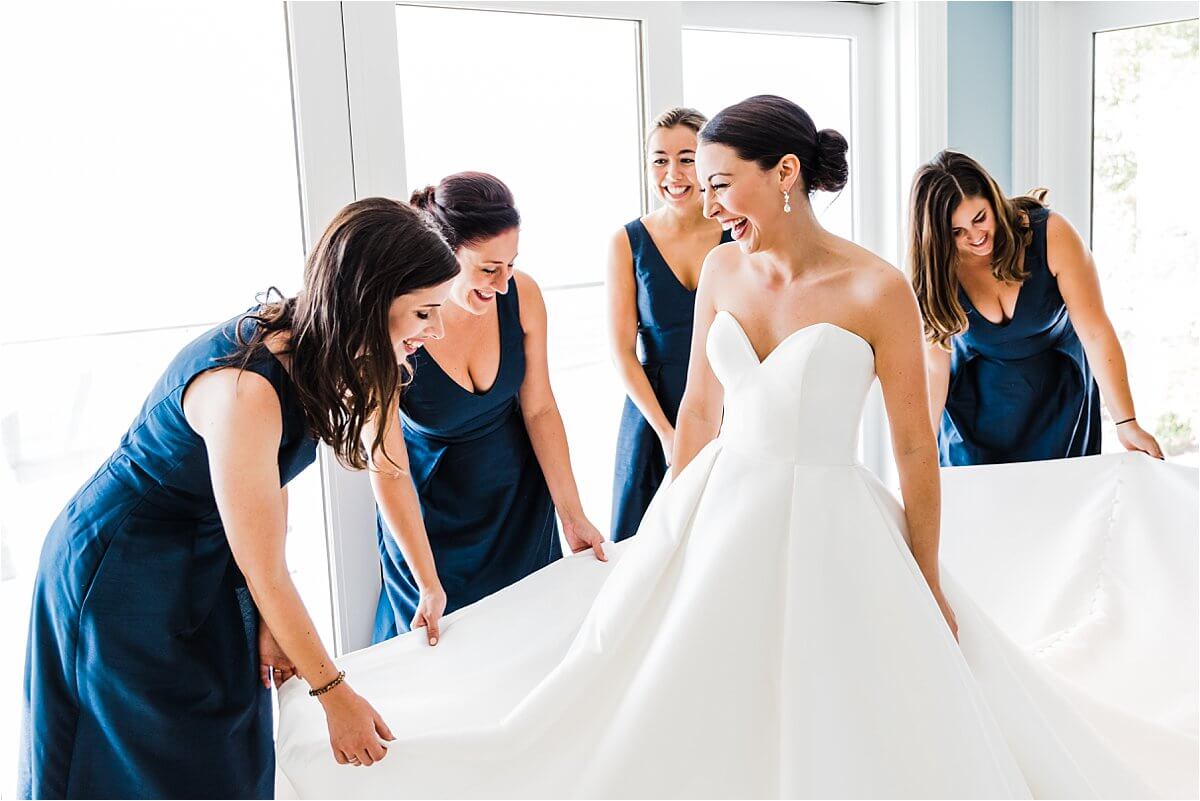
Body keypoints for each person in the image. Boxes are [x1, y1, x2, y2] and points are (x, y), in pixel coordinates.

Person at [277, 98, 1193, 798]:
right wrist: (664, 532)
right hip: (720, 513)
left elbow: (915, 450)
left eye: (721, 182)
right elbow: (702, 417)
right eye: (702, 185)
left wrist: (924, 578)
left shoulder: (876, 289)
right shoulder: (720, 267)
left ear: (784, 172)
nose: (707, 202)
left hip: (834, 523)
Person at [20, 198, 460, 798]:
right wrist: (334, 694)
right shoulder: (243, 387)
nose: (435, 332)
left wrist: (276, 629)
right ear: (368, 299)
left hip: (212, 556)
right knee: (144, 765)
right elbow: (266, 568)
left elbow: (267, 490)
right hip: (123, 573)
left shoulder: (318, 349)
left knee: (229, 755)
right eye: (424, 313)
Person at [372, 172, 606, 645]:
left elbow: (539, 409)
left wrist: (572, 511)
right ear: (443, 254)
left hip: (518, 507)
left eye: (511, 266)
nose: (503, 284)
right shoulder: (393, 321)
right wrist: (426, 579)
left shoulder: (524, 296)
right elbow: (388, 466)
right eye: (487, 269)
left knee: (531, 649)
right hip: (432, 523)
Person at [909, 150, 1163, 465]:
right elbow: (935, 368)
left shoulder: (1051, 234)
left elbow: (1095, 332)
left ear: (993, 199)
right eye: (957, 232)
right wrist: (919, 458)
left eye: (980, 218)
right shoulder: (937, 272)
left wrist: (1127, 424)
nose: (975, 237)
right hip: (975, 422)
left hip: (1059, 406)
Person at [607, 107, 732, 542]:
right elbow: (622, 352)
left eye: (686, 157)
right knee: (646, 548)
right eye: (660, 159)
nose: (673, 173)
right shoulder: (627, 241)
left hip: (730, 407)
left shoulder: (739, 233)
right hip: (653, 416)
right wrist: (666, 433)